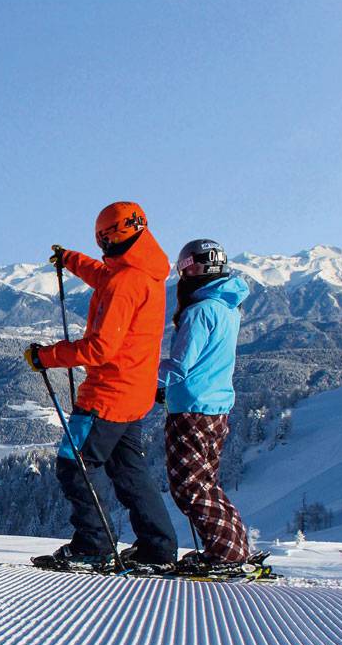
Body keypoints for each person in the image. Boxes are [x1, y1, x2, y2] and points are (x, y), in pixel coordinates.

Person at [23, 201, 177, 573]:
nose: (101, 247)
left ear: (110, 236)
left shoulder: (126, 282)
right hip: (135, 393)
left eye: (102, 240)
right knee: (129, 470)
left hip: (107, 394)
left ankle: (94, 544)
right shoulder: (143, 270)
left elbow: (100, 348)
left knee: (74, 463)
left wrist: (47, 356)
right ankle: (159, 547)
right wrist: (71, 260)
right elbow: (104, 277)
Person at [157, 238, 257, 573]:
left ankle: (225, 553)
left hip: (192, 408)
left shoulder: (200, 311)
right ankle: (233, 545)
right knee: (204, 481)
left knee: (188, 485)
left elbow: (181, 364)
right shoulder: (227, 307)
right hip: (214, 405)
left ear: (193, 270)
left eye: (184, 270)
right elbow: (206, 361)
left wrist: (141, 376)